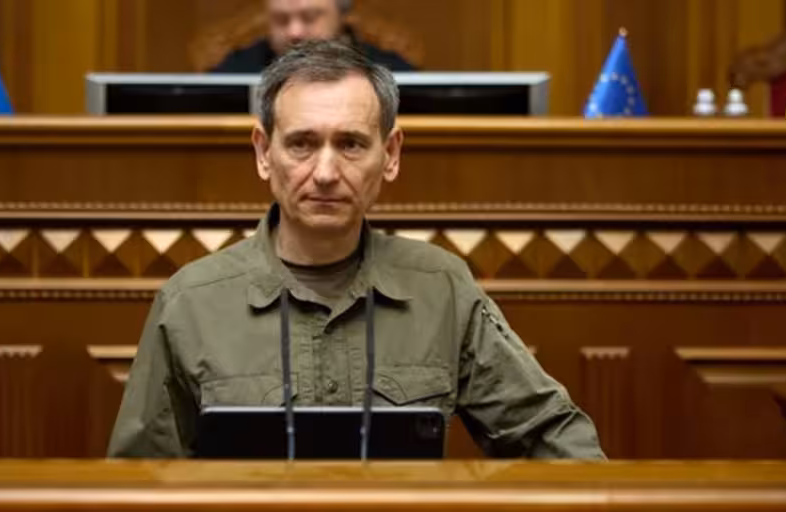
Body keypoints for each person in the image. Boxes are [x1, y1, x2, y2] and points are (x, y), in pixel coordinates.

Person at [109, 40, 604, 459]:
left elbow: (552, 438)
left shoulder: (441, 289)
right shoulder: (191, 302)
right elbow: (139, 480)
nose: (325, 173)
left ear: (390, 155)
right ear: (263, 153)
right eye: (302, 144)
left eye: (350, 144)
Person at [211, 0, 414, 73]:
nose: (294, 32)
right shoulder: (236, 72)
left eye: (309, 18)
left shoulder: (389, 72)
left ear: (342, 17)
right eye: (281, 19)